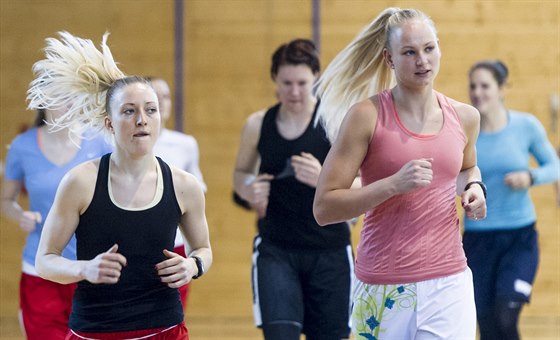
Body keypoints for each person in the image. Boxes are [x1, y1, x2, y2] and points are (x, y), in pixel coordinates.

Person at [312, 8, 487, 340]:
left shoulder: (465, 117)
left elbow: (464, 168)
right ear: (389, 58)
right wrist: (393, 185)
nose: (422, 60)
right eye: (409, 52)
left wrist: (475, 186)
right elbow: (324, 208)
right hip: (381, 285)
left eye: (429, 48)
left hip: (449, 283)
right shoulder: (366, 116)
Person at [31, 31, 212, 339]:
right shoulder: (80, 182)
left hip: (165, 328)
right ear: (109, 122)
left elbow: (204, 249)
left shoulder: (185, 185)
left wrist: (193, 266)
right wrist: (85, 269)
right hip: (94, 330)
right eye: (129, 111)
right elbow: (45, 261)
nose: (142, 119)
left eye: (150, 110)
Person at [233, 39, 355, 340]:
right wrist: (249, 191)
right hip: (277, 249)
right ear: (275, 79)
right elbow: (240, 174)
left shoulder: (335, 122)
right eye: (287, 83)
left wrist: (323, 180)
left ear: (315, 77)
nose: (295, 92)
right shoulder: (258, 124)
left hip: (330, 251)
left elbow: (364, 185)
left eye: (302, 83)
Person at [463, 60, 560, 340]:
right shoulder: (466, 132)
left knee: (506, 314)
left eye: (485, 86)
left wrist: (529, 177)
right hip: (478, 241)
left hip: (519, 239)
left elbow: (554, 167)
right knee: (487, 322)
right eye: (473, 86)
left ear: (502, 89)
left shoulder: (525, 126)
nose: (477, 92)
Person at [0, 107, 112, 340]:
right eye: (57, 95)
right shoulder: (23, 145)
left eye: (70, 95)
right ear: (44, 100)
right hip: (40, 269)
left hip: (90, 268)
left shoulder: (100, 140)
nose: (65, 102)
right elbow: (6, 200)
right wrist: (20, 214)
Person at [150, 76, 207, 310]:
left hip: (175, 242)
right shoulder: (123, 143)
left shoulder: (185, 144)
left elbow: (198, 187)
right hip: (137, 241)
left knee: (173, 311)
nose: (162, 102)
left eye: (166, 96)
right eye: (155, 96)